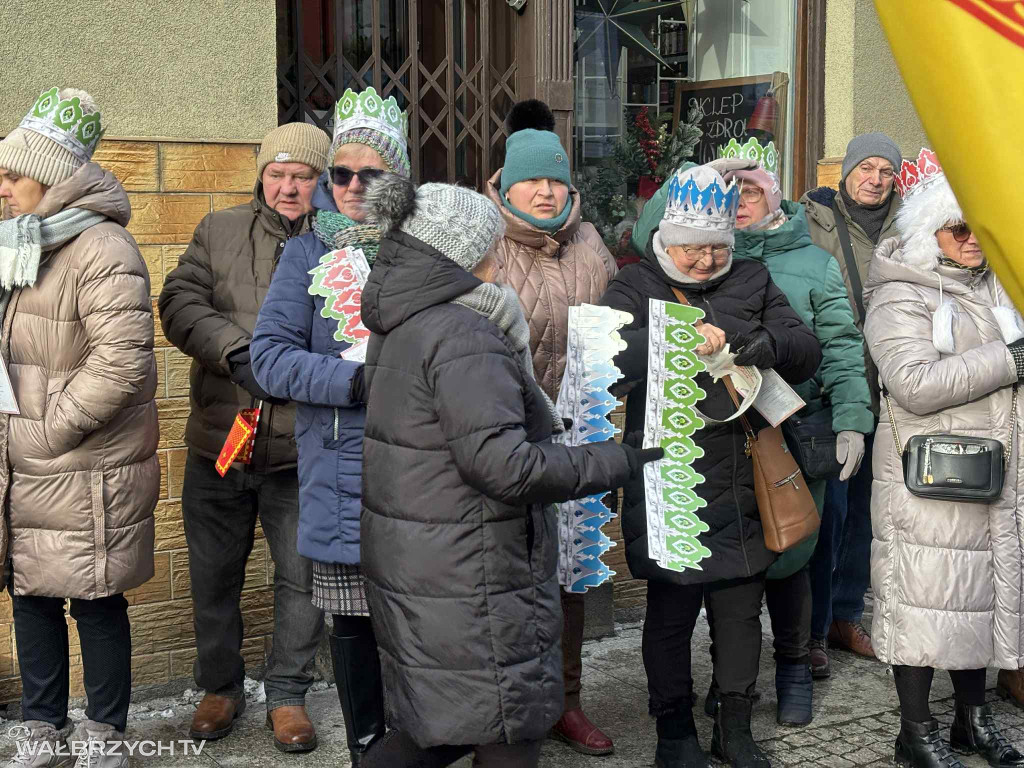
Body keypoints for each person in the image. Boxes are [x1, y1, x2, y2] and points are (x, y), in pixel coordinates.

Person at [355, 175, 661, 768]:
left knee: (446, 722)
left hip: (432, 554)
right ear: (463, 254)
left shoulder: (407, 318)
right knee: (504, 726)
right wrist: (613, 461)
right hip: (474, 566)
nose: (501, 255)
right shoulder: (464, 333)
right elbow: (504, 466)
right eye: (491, 244)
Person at [600, 164, 822, 768]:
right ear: (665, 242)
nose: (704, 261)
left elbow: (805, 347)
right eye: (692, 249)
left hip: (743, 470)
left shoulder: (753, 277)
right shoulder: (634, 284)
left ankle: (736, 724)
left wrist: (762, 345)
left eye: (716, 249)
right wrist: (678, 339)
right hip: (667, 474)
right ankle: (673, 728)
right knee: (671, 612)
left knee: (739, 612)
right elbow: (610, 355)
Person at [249, 86, 410, 766]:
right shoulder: (305, 255)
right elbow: (269, 358)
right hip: (340, 469)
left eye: (367, 174)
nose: (349, 186)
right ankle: (368, 746)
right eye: (339, 173)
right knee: (351, 623)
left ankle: (421, 740)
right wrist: (352, 381)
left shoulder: (425, 246)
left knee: (417, 619)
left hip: (420, 464)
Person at [158, 121, 330, 752]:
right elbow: (178, 301)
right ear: (262, 176)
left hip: (301, 449)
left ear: (322, 181)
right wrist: (237, 352)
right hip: (220, 442)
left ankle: (287, 694)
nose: (288, 187)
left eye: (303, 176)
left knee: (301, 577)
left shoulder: (341, 247)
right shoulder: (218, 229)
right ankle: (221, 686)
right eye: (277, 173)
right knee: (214, 573)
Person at [0, 88, 158, 768]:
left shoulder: (102, 247)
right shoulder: (16, 244)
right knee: (31, 595)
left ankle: (104, 732)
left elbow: (122, 364)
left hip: (81, 460)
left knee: (93, 599)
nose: (1, 188)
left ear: (53, 176)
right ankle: (41, 727)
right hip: (20, 457)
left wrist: (46, 432)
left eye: (13, 175)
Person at [863, 149, 1024, 768]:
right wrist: (1009, 362)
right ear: (929, 230)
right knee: (923, 602)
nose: (972, 241)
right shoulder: (900, 294)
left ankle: (972, 721)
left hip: (994, 477)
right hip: (929, 480)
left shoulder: (994, 286)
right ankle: (914, 731)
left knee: (978, 600)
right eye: (959, 229)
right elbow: (912, 382)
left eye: (978, 229)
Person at [708, 158, 874, 728]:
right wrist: (709, 170)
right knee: (735, 560)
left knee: (795, 552)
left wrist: (852, 418)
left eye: (753, 189)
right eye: (733, 191)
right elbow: (644, 234)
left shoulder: (815, 263)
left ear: (777, 199)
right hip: (725, 431)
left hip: (798, 427)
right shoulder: (711, 257)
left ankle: (795, 669)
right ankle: (731, 679)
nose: (742, 199)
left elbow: (842, 344)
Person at [485, 98, 616, 756]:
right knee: (510, 579)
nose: (544, 190)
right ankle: (510, 706)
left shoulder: (592, 246)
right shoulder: (486, 245)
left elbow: (619, 327)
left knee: (568, 578)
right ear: (506, 184)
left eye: (554, 179)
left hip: (580, 438)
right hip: (508, 442)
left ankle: (567, 700)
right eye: (530, 179)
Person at [799, 132, 903, 673]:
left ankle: (845, 615)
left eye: (887, 170)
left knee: (866, 512)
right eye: (867, 167)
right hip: (834, 390)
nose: (876, 179)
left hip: (892, 391)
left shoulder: (911, 226)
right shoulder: (811, 220)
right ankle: (811, 631)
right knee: (829, 512)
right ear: (846, 173)